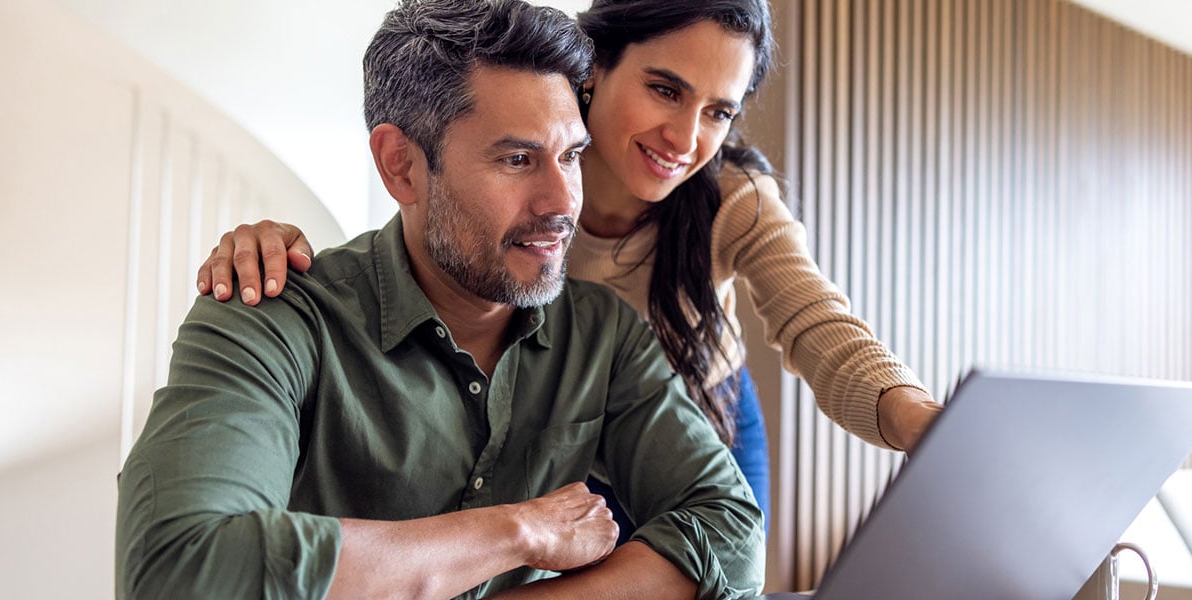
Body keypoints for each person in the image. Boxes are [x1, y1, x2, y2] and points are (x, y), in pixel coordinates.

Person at [197, 0, 943, 537]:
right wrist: (272, 243)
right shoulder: (516, 189)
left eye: (719, 111)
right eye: (665, 89)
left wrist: (924, 423)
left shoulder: (730, 199)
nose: (686, 138)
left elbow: (816, 321)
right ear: (593, 72)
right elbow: (428, 234)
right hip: (562, 422)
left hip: (701, 407)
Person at [115, 1, 763, 598]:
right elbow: (179, 566)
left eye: (571, 156)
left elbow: (732, 535)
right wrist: (516, 531)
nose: (563, 202)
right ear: (401, 165)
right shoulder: (272, 315)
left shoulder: (603, 338)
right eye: (517, 159)